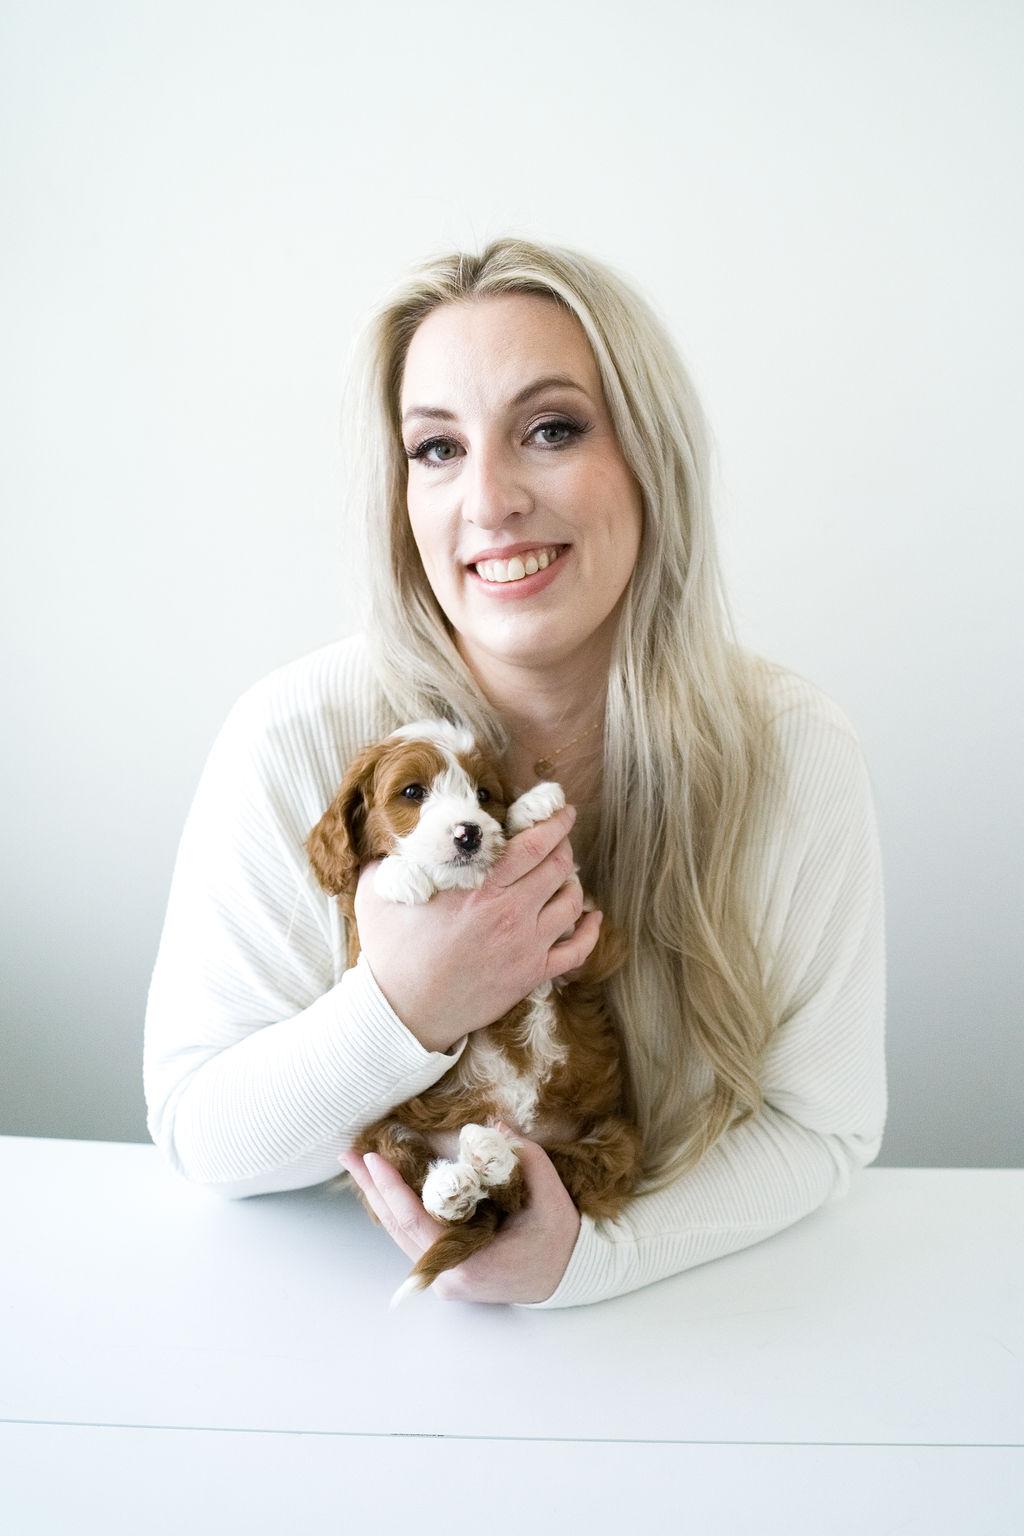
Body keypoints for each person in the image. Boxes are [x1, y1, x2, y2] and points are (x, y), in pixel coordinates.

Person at [143, 236, 887, 1308]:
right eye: (437, 448)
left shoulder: (793, 750)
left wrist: (590, 1260)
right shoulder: (293, 738)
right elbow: (200, 1133)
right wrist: (406, 1004)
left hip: (704, 1335)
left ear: (650, 457)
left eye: (551, 430)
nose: (489, 501)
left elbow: (823, 1128)